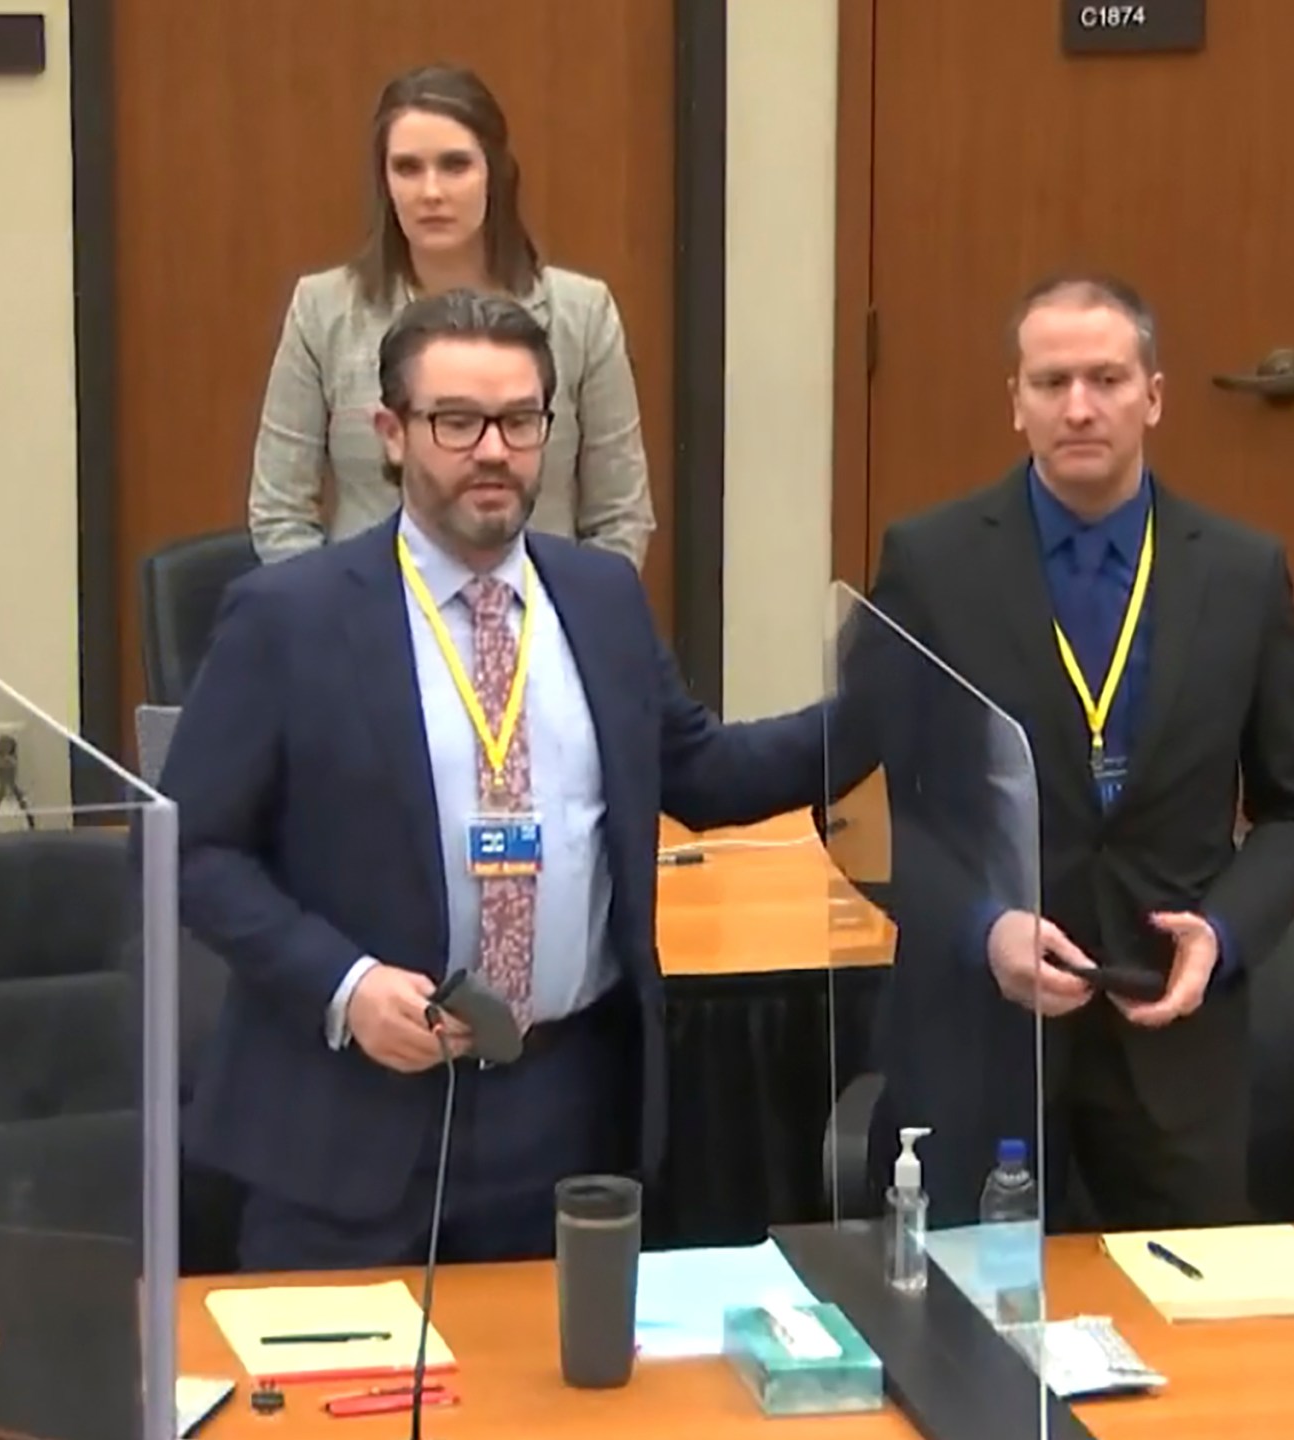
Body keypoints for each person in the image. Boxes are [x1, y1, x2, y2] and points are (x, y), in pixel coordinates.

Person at [164, 289, 826, 1271]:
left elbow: (700, 770)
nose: (492, 450)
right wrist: (342, 987)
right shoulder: (287, 617)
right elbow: (192, 849)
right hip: (350, 1126)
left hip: (561, 1111)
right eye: (457, 421)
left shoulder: (599, 596)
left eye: (520, 421)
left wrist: (883, 712)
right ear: (391, 434)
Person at [859, 272, 1294, 1230]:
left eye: (1108, 379)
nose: (1079, 407)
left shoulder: (1243, 573)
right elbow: (870, 805)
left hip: (1173, 1034)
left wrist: (1228, 929)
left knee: (1196, 1349)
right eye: (1050, 383)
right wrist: (981, 927)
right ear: (1016, 403)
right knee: (962, 1338)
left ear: (1154, 396)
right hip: (982, 1031)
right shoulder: (931, 561)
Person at [245, 63, 655, 569]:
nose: (431, 192)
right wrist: (338, 625)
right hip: (371, 628)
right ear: (384, 181)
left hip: (535, 622)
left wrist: (571, 623)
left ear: (495, 175)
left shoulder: (583, 314)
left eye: (455, 165)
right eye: (408, 168)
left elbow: (621, 518)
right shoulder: (323, 310)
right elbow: (278, 513)